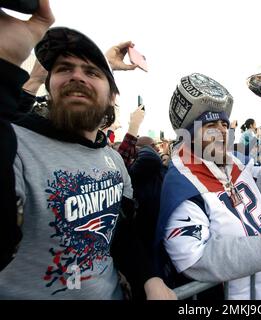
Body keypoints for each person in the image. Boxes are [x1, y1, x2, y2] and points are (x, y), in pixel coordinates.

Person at [0, 1, 174, 299]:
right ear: (49, 84)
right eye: (64, 69)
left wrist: (150, 278)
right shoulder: (17, 144)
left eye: (91, 73)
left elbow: (116, 230)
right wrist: (5, 60)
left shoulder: (114, 161)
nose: (77, 76)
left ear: (112, 98)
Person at [155, 73, 261, 299]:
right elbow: (193, 258)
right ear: (190, 135)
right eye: (210, 125)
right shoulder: (182, 183)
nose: (222, 130)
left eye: (224, 123)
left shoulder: (232, 161)